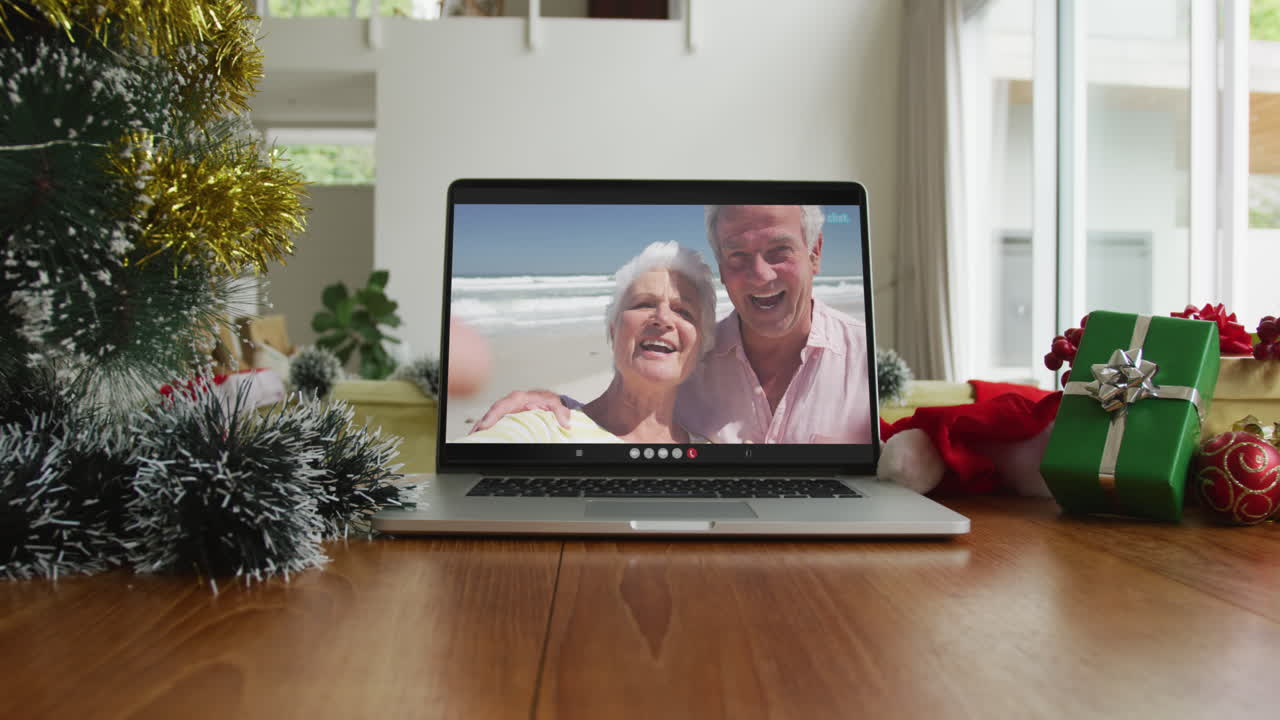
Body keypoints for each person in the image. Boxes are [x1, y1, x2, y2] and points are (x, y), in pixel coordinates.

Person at [471, 205, 872, 444]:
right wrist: (551, 404)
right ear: (612, 327)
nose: (760, 274)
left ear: (815, 252)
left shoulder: (866, 362)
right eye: (737, 255)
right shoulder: (689, 365)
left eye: (779, 250)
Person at [456, 241, 716, 443]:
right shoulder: (546, 426)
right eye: (644, 304)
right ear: (614, 330)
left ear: (701, 344)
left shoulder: (707, 456)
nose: (662, 319)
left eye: (683, 311)